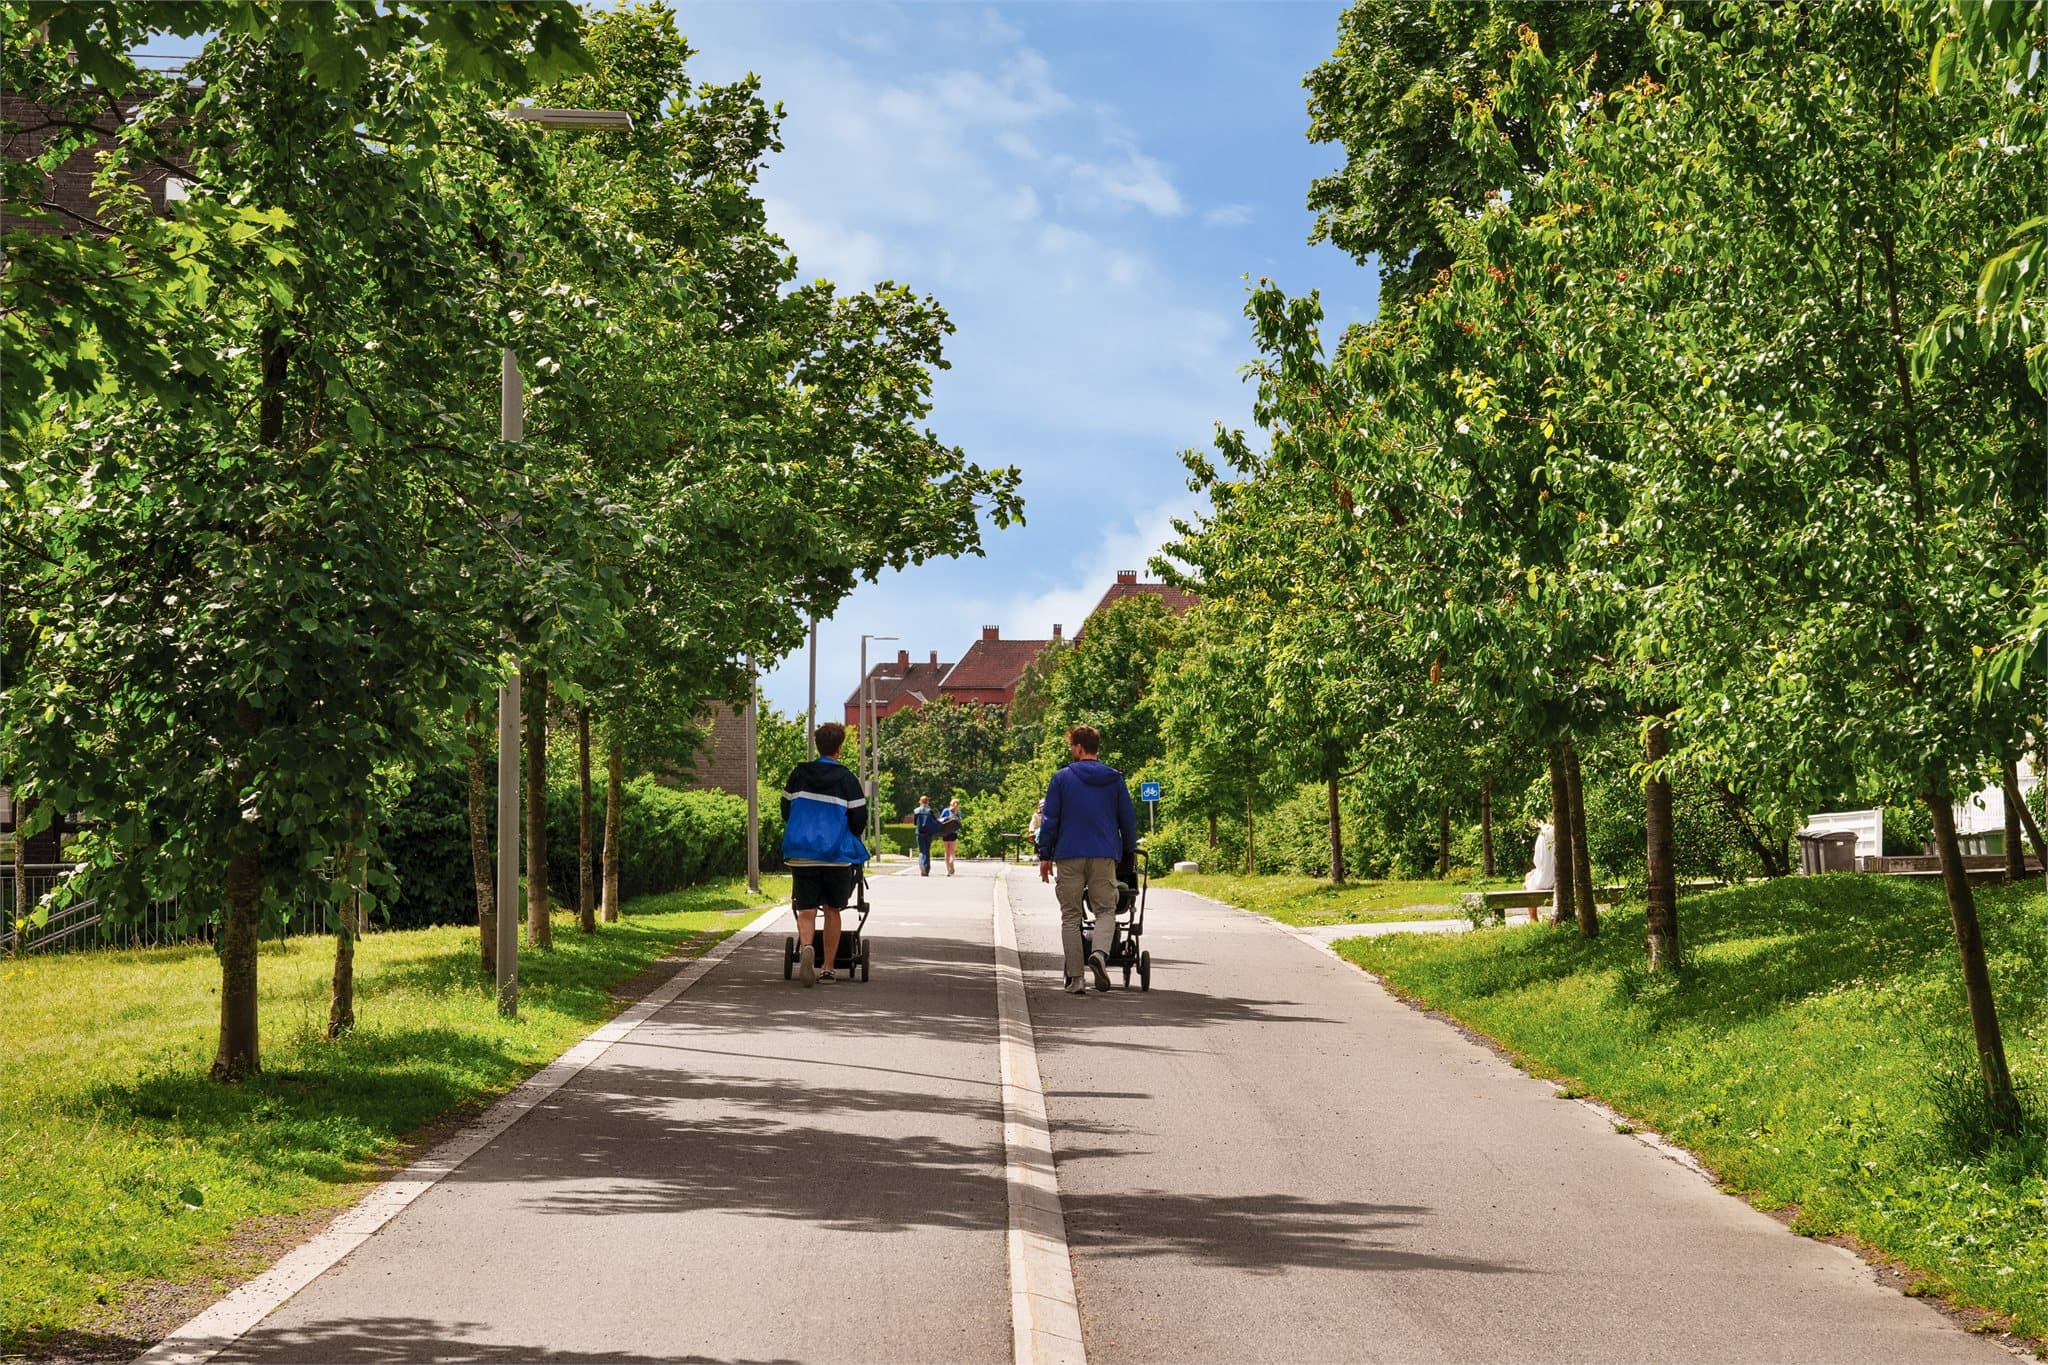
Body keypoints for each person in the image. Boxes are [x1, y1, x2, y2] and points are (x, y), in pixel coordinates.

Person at [1036, 725, 1138, 995]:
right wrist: (1128, 851)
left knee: (1071, 916)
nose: (1071, 750)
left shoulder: (1061, 779)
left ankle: (1076, 979)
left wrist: (1045, 855)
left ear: (1079, 748)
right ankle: (1100, 954)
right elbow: (1127, 819)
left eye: (1072, 746)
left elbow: (1050, 820)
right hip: (1104, 853)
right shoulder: (1115, 779)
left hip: (1069, 853)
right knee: (1105, 910)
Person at [779, 722, 868, 986]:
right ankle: (828, 968)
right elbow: (859, 818)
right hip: (836, 856)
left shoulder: (799, 774)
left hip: (802, 853)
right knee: (832, 909)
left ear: (818, 746)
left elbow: (786, 810)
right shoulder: (847, 779)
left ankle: (807, 946)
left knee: (806, 909)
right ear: (839, 748)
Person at [912, 795, 941, 877]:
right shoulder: (930, 811)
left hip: (919, 833)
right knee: (927, 851)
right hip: (928, 833)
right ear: (927, 802)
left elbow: (915, 823)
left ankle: (922, 865)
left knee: (922, 851)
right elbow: (935, 821)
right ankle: (927, 868)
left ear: (920, 802)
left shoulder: (916, 811)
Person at [939, 797, 963, 875]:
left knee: (947, 852)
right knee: (952, 852)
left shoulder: (946, 810)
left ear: (950, 803)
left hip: (945, 833)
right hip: (953, 833)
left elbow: (940, 820)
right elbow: (959, 823)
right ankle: (951, 862)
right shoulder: (958, 812)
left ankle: (948, 870)